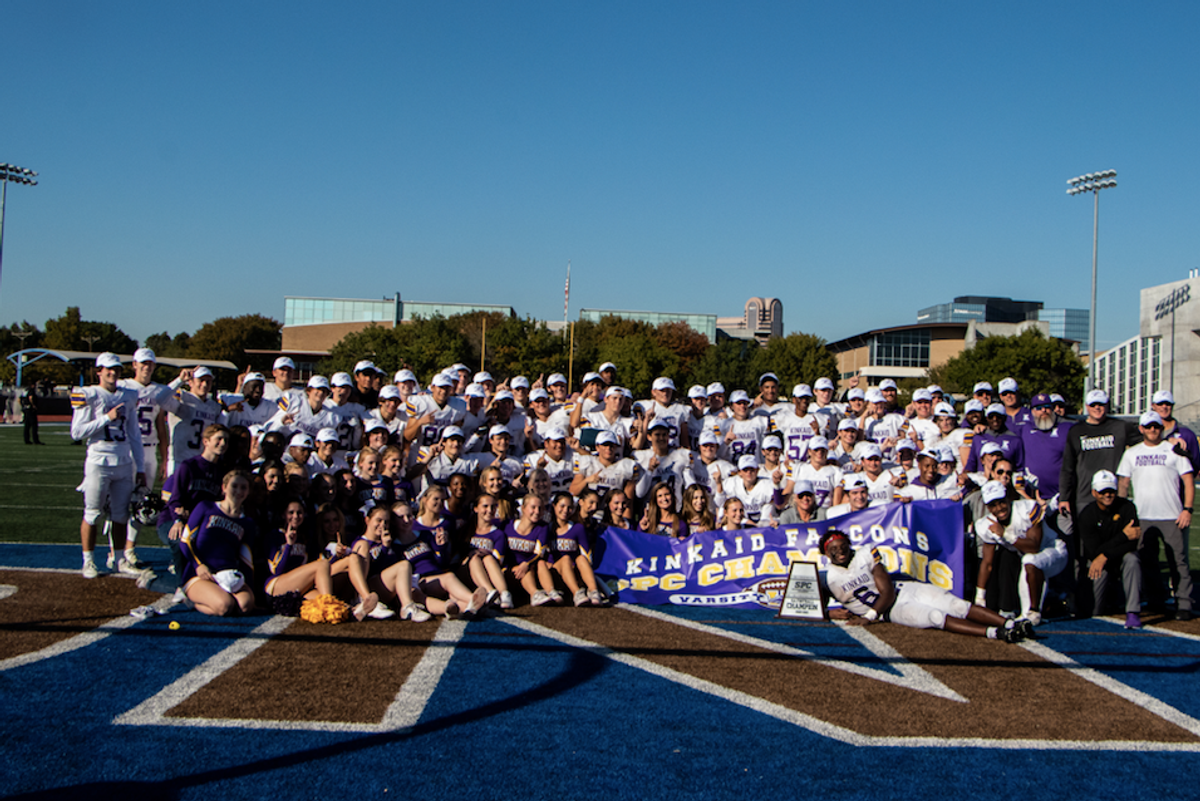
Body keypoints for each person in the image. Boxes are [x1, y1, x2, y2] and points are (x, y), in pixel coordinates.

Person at [821, 529, 1026, 642]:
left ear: (849, 545)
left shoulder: (865, 553)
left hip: (900, 592)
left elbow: (887, 592)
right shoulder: (826, 577)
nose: (840, 551)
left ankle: (1009, 623)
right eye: (833, 549)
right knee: (935, 617)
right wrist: (829, 613)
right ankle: (994, 633)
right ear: (825, 553)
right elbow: (808, 607)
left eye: (843, 546)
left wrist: (869, 616)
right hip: (893, 611)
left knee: (956, 605)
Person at [71, 353, 146, 579]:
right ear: (99, 371)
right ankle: (88, 561)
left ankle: (119, 559)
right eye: (108, 369)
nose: (113, 373)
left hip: (123, 461)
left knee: (121, 515)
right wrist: (106, 418)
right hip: (98, 461)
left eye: (116, 369)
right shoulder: (89, 394)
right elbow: (76, 432)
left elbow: (134, 433)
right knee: (93, 513)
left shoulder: (129, 395)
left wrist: (140, 467)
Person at [1117, 410, 1194, 620]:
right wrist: (1124, 513)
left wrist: (1187, 509)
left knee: (1178, 562)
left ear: (1161, 428)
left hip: (1172, 515)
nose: (1153, 430)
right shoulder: (1132, 453)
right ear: (1141, 429)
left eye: (1156, 426)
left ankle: (1184, 603)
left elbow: (1188, 481)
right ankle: (1156, 600)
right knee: (1147, 560)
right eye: (1149, 426)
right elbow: (1123, 483)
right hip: (1142, 515)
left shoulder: (1174, 450)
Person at [973, 480, 1067, 626]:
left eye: (1001, 502)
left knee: (1030, 560)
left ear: (1008, 498)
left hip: (1053, 551)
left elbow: (1034, 547)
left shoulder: (1027, 509)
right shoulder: (986, 524)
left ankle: (1034, 611)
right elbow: (987, 563)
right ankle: (1031, 610)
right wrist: (980, 597)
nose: (999, 508)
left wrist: (1006, 534)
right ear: (988, 507)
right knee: (1023, 562)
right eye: (993, 505)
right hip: (1027, 561)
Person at [180, 470, 257, 616]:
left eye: (243, 487)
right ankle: (191, 602)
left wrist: (250, 589)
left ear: (248, 492)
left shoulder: (247, 522)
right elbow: (185, 541)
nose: (238, 491)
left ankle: (219, 596)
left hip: (229, 575)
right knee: (225, 606)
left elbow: (246, 559)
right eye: (234, 486)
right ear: (224, 487)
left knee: (245, 606)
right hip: (200, 574)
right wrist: (198, 565)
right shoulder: (206, 507)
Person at [1077, 470, 1143, 627]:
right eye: (1102, 491)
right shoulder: (1087, 514)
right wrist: (1123, 536)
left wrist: (1105, 554)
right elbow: (1094, 551)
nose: (1107, 495)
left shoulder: (1127, 507)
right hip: (1098, 561)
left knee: (1132, 560)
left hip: (1118, 558)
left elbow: (1132, 544)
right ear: (1094, 492)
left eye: (1111, 491)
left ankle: (1133, 612)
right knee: (1093, 610)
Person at [548, 492, 604, 605]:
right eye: (562, 506)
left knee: (581, 558)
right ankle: (577, 593)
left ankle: (594, 591)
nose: (565, 510)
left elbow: (586, 553)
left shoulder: (577, 527)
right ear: (554, 506)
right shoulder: (547, 528)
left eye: (569, 507)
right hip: (555, 571)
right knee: (566, 559)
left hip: (574, 570)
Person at [504, 494, 559, 606]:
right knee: (524, 569)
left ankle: (548, 593)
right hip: (510, 570)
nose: (537, 511)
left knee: (537, 564)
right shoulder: (507, 525)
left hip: (529, 569)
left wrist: (527, 564)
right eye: (533, 507)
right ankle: (535, 594)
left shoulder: (542, 528)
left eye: (540, 508)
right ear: (523, 508)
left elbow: (540, 553)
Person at [465, 493, 513, 609]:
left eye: (493, 507)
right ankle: (490, 592)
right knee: (474, 559)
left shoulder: (498, 534)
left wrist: (483, 553)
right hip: (466, 570)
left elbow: (499, 560)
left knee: (488, 558)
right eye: (485, 506)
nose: (490, 510)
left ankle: (504, 594)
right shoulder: (467, 530)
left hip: (487, 571)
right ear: (476, 508)